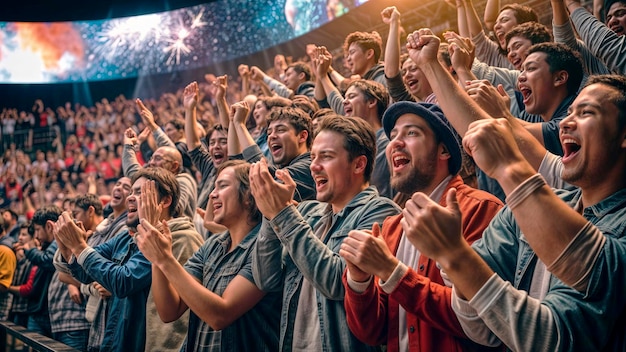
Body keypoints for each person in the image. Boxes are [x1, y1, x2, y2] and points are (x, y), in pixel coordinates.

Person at [408, 21, 626, 350]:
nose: (567, 121)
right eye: (570, 112)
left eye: (587, 112)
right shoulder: (536, 204)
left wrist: (456, 256)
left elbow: (557, 335)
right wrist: (430, 65)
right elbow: (480, 326)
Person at [340, 101, 503, 351]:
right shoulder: (391, 228)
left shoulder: (480, 209)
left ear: (444, 151)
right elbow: (372, 332)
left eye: (411, 133)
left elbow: (482, 321)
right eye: (393, 135)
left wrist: (393, 273)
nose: (395, 142)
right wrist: (359, 281)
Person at [251, 115, 401, 351]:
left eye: (326, 157)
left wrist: (282, 212)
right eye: (312, 157)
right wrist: (270, 215)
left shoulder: (381, 211)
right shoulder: (308, 212)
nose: (313, 166)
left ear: (359, 164)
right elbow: (266, 278)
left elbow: (338, 282)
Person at [136, 160, 281, 351]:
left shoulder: (267, 247)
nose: (212, 194)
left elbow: (220, 315)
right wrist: (157, 257)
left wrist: (165, 259)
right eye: (213, 187)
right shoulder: (213, 245)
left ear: (249, 195)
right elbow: (169, 310)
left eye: (222, 186)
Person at [53, 167, 191, 352]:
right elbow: (85, 274)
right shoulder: (127, 236)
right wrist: (67, 247)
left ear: (165, 201)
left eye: (140, 192)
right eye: (131, 192)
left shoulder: (177, 237)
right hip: (116, 338)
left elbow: (123, 281)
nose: (130, 197)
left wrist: (79, 247)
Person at [229, 101, 316, 202]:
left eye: (281, 130)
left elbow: (267, 180)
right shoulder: (280, 167)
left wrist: (239, 124)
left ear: (302, 136)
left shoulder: (309, 165)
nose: (272, 137)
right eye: (269, 133)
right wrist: (233, 122)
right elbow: (237, 164)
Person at [123, 127, 198, 222]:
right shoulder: (154, 180)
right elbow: (133, 172)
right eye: (151, 158)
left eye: (158, 158)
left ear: (174, 166)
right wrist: (129, 146)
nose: (151, 163)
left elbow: (174, 209)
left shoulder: (184, 180)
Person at [19, 205, 62, 338]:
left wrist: (30, 250)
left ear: (49, 227)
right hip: (40, 310)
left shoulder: (57, 241)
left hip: (45, 312)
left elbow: (48, 260)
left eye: (38, 230)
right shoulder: (48, 244)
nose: (36, 235)